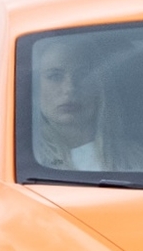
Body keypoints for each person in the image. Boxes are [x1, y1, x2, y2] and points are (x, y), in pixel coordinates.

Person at [30, 34, 107, 170]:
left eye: (82, 75)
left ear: (99, 85)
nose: (69, 88)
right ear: (35, 86)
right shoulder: (23, 159)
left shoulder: (135, 161)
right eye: (55, 76)